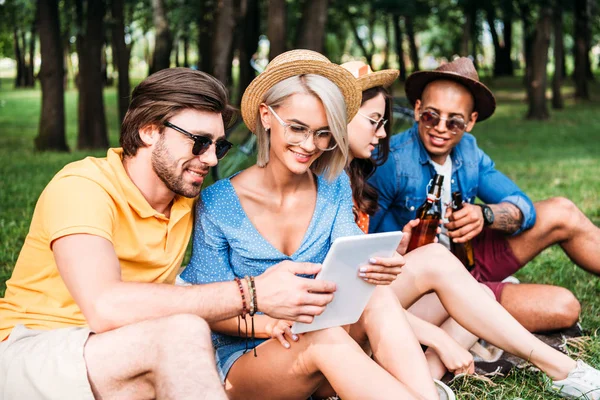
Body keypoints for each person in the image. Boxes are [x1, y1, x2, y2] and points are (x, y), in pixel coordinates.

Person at [0, 68, 343, 400]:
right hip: (33, 350)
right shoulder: (83, 187)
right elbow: (104, 306)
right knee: (184, 331)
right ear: (149, 131)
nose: (210, 159)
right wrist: (252, 293)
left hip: (119, 351)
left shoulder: (185, 201)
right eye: (199, 142)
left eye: (218, 147)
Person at [179, 50, 453, 400]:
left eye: (323, 133)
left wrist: (380, 268)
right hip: (250, 359)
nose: (309, 145)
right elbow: (209, 310)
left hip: (323, 338)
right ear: (266, 115)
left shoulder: (333, 184)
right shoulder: (217, 203)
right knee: (322, 339)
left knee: (378, 296)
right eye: (297, 128)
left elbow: (352, 267)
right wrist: (273, 323)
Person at [340, 60, 600, 398]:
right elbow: (361, 258)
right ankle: (449, 349)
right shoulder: (390, 160)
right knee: (563, 306)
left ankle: (474, 322)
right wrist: (397, 251)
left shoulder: (469, 152)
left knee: (561, 211)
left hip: (469, 262)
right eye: (431, 116)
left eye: (455, 121)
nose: (440, 128)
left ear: (471, 122)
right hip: (419, 285)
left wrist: (486, 215)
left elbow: (522, 205)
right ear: (417, 109)